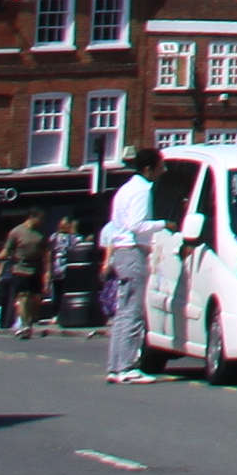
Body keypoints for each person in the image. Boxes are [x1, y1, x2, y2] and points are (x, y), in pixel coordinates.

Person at [99, 149, 159, 380]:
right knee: (133, 313)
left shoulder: (125, 189)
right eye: (160, 166)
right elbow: (137, 225)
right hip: (133, 252)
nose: (162, 170)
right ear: (148, 169)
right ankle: (127, 368)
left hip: (121, 252)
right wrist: (164, 224)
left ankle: (116, 367)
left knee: (123, 312)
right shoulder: (142, 190)